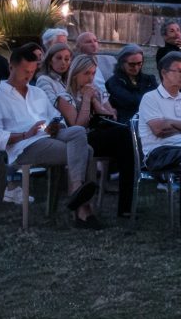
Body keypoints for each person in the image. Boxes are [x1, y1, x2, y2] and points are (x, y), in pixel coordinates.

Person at [0, 43, 101, 225]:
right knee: (87, 151)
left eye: (32, 71)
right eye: (24, 71)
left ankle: (77, 191)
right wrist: (24, 134)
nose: (28, 75)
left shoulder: (37, 93)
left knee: (77, 131)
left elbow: (56, 117)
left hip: (48, 135)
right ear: (11, 67)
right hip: (25, 145)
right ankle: (83, 209)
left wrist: (56, 126)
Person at [49, 53, 137, 217]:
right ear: (75, 74)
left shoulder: (94, 92)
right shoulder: (64, 97)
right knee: (123, 137)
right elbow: (78, 126)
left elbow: (111, 118)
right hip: (79, 140)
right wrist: (87, 100)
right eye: (86, 73)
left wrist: (96, 101)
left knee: (127, 140)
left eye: (93, 73)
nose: (90, 78)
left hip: (99, 136)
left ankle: (126, 204)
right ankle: (125, 206)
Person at [139, 52, 181, 230]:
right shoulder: (150, 98)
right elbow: (159, 130)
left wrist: (170, 122)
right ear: (164, 73)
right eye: (179, 71)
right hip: (158, 152)